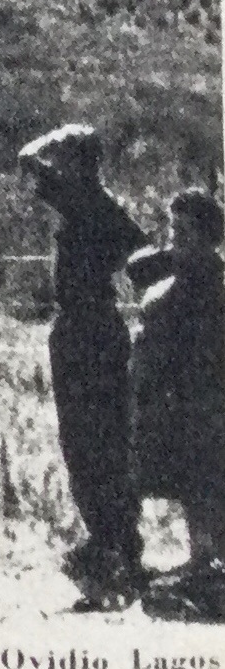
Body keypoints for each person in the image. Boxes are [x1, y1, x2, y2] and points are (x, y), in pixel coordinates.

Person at [20, 124, 149, 609]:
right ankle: (119, 540)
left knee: (86, 437)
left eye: (67, 158)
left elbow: (25, 158)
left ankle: (109, 542)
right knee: (109, 434)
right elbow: (142, 255)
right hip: (103, 326)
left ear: (77, 163)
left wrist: (50, 139)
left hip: (81, 329)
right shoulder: (106, 205)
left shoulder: (81, 201)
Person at [130, 190, 225, 619]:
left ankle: (212, 562)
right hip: (180, 401)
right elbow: (138, 268)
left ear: (210, 237)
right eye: (174, 230)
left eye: (187, 232)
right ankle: (202, 558)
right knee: (192, 480)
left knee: (210, 478)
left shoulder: (211, 287)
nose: (177, 240)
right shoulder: (171, 283)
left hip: (210, 398)